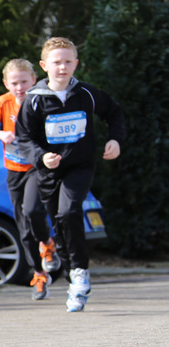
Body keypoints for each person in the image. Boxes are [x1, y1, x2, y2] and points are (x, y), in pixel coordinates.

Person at [14, 37, 125, 312]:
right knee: (57, 222)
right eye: (56, 62)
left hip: (80, 167)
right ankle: (73, 276)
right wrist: (41, 157)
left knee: (68, 212)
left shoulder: (86, 94)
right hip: (49, 171)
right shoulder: (34, 100)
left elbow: (114, 113)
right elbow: (24, 138)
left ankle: (81, 271)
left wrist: (115, 139)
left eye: (67, 61)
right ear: (44, 66)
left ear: (76, 63)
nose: (62, 67)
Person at [0, 58, 60, 301]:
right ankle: (38, 274)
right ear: (6, 84)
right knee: (24, 230)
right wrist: (1, 134)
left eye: (24, 82)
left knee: (32, 210)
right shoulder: (3, 103)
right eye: (14, 83)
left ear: (34, 80)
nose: (20, 87)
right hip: (14, 170)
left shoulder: (42, 101)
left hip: (37, 166)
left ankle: (46, 243)